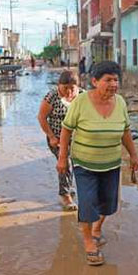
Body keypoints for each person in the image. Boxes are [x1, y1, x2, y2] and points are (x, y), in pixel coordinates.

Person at [57, 61, 138, 266]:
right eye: (108, 80)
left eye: (116, 80)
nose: (113, 84)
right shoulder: (81, 102)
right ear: (94, 81)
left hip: (111, 163)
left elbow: (126, 131)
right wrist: (62, 157)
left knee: (108, 202)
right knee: (87, 201)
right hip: (84, 163)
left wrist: (133, 156)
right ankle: (88, 242)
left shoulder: (120, 102)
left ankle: (96, 229)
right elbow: (66, 130)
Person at [38, 70, 81, 211]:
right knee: (65, 163)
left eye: (72, 88)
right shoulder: (52, 97)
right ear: (59, 86)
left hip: (77, 140)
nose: (69, 92)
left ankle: (67, 185)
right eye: (65, 88)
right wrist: (51, 136)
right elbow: (42, 117)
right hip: (57, 139)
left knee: (76, 163)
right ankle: (65, 195)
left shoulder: (83, 96)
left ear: (78, 87)